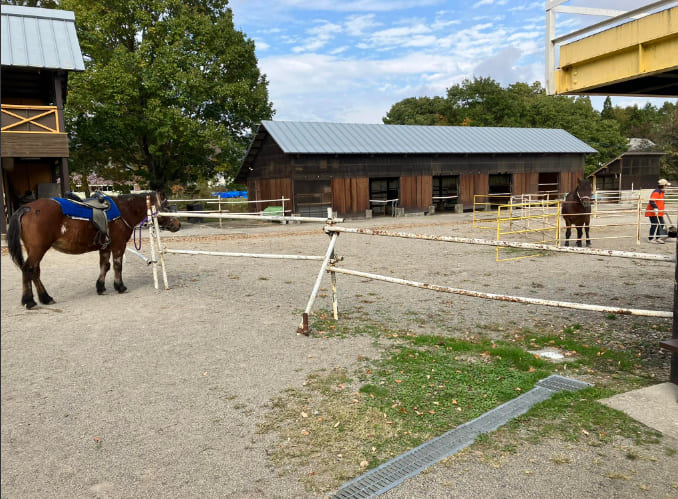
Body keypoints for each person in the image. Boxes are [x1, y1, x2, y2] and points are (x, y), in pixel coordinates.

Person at [645, 178, 671, 243]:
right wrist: (655, 208)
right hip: (653, 212)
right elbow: (652, 201)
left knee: (661, 224)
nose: (667, 187)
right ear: (663, 185)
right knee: (654, 224)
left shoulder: (661, 192)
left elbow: (660, 202)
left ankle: (658, 237)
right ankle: (650, 238)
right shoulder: (656, 192)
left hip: (659, 212)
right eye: (666, 186)